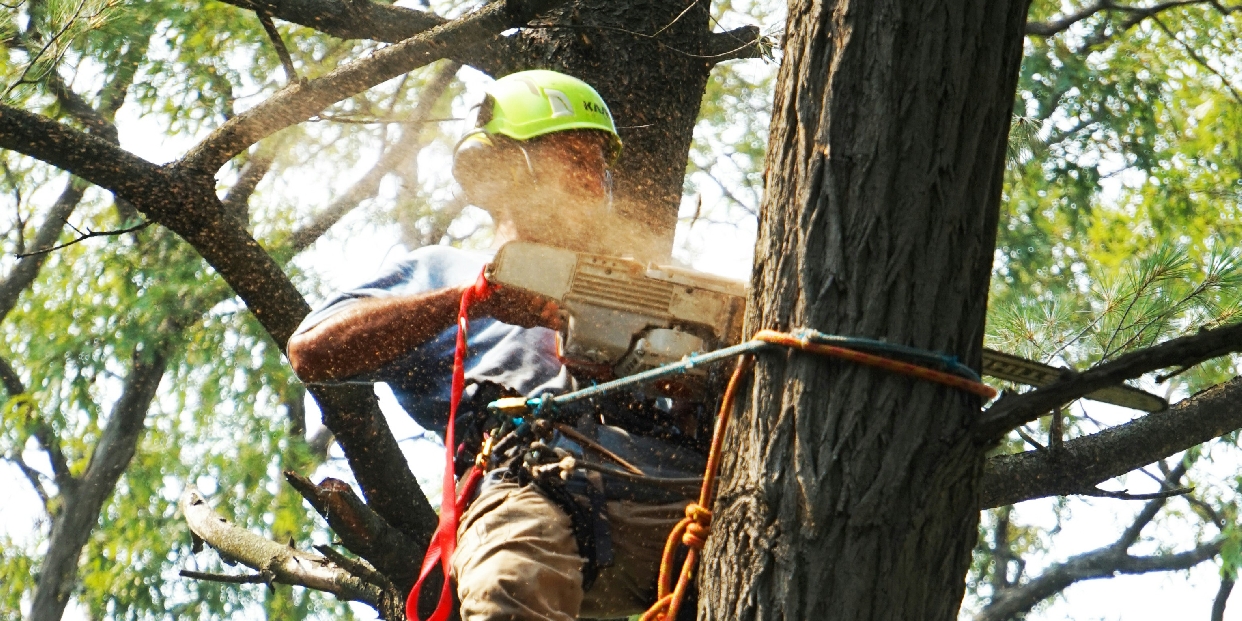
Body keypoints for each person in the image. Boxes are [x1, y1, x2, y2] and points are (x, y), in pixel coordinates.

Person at [287, 70, 706, 621]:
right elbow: (312, 352)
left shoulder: (641, 288)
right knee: (511, 587)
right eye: (574, 157)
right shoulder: (441, 272)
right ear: (505, 170)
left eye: (600, 163)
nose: (593, 177)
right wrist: (476, 298)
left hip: (670, 488)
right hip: (530, 485)